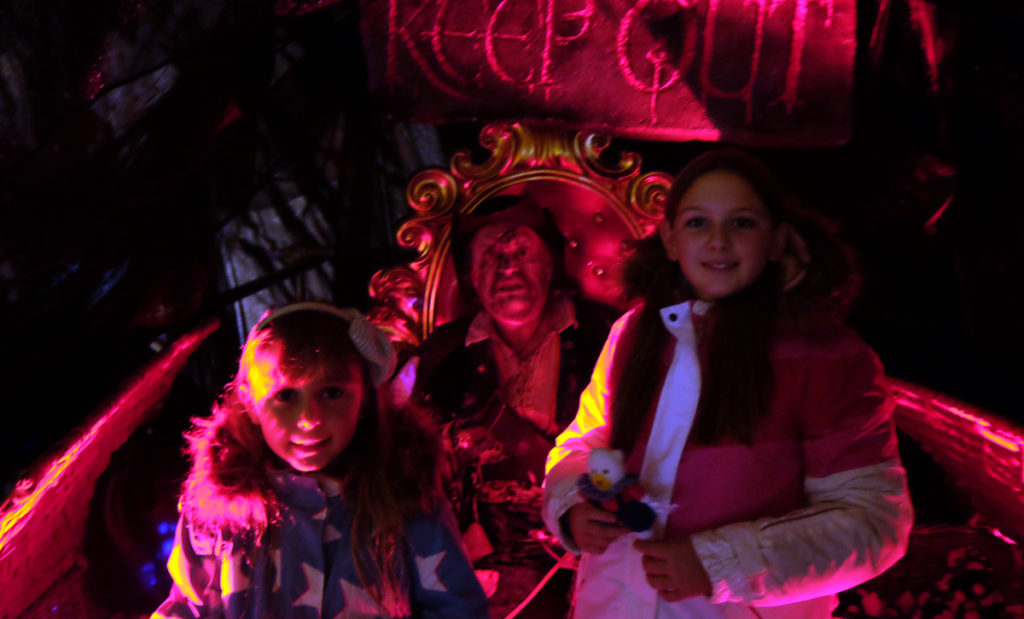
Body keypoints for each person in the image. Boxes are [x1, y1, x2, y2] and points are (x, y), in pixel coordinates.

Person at [542, 149, 914, 618]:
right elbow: (587, 440)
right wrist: (576, 503)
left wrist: (722, 563)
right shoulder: (634, 332)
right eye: (698, 223)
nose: (718, 242)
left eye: (741, 223)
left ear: (777, 240)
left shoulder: (826, 358)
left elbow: (874, 522)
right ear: (671, 239)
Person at [152, 302, 489, 618]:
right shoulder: (216, 511)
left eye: (331, 393)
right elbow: (188, 607)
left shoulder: (407, 499)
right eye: (286, 395)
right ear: (251, 402)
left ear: (364, 399)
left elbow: (458, 609)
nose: (310, 419)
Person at [405, 194, 617, 618]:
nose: (507, 269)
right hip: (482, 573)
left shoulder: (609, 335)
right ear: (469, 276)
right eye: (489, 257)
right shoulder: (440, 358)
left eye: (522, 252)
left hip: (595, 553)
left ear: (550, 264)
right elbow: (415, 466)